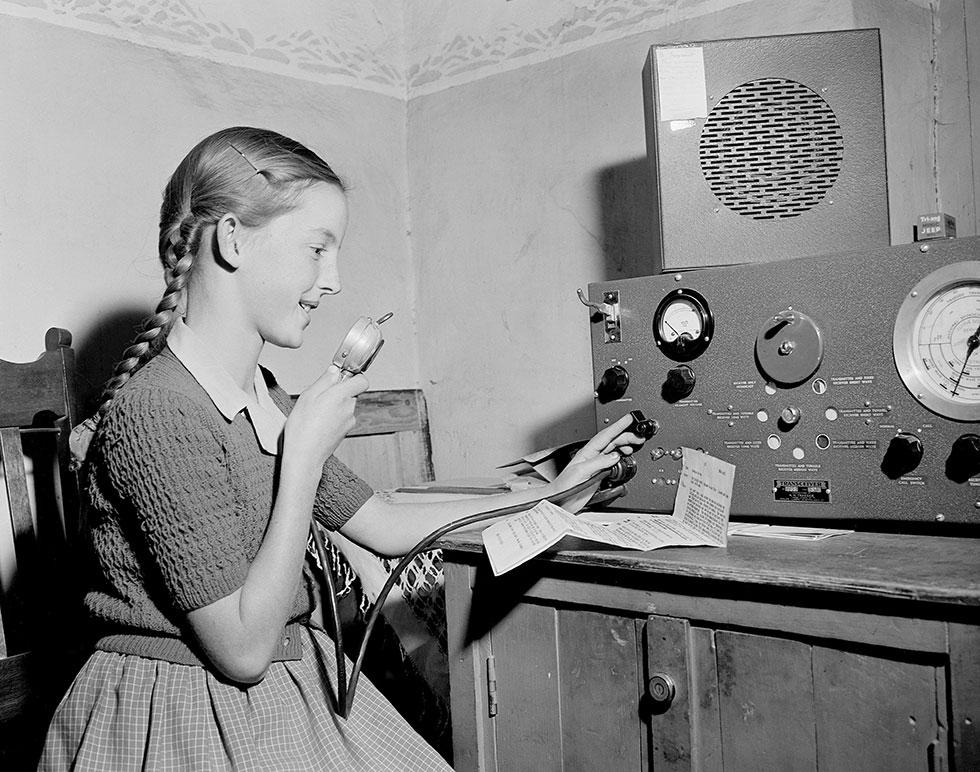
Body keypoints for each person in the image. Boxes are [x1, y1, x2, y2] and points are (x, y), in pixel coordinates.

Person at [39, 126, 645, 770]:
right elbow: (241, 651)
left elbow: (383, 523)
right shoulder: (160, 411)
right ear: (233, 240)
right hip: (185, 705)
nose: (333, 280)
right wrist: (300, 460)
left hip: (281, 677)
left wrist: (552, 494)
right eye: (317, 249)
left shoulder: (263, 394)